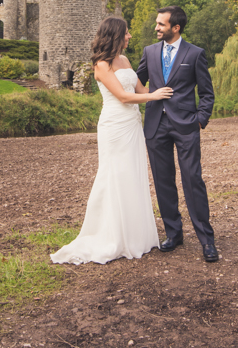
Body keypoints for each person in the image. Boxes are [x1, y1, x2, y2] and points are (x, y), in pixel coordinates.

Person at [51, 17, 173, 265]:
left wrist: (166, 80)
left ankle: (137, 235)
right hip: (115, 126)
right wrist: (155, 96)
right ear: (116, 35)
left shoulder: (125, 60)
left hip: (132, 125)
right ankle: (113, 235)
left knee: (133, 174)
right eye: (126, 33)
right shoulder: (101, 65)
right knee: (115, 175)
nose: (129, 37)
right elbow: (123, 97)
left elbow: (139, 89)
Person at [136, 6, 219, 263]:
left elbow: (206, 93)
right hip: (155, 125)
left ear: (176, 28)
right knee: (163, 182)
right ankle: (174, 234)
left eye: (161, 24)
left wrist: (199, 121)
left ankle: (207, 240)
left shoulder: (195, 54)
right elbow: (135, 82)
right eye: (157, 23)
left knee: (193, 180)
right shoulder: (149, 52)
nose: (156, 28)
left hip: (186, 126)